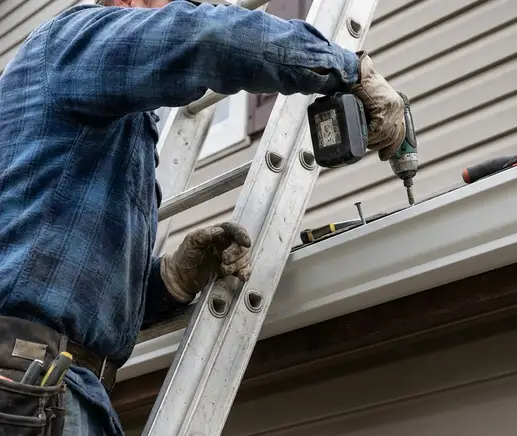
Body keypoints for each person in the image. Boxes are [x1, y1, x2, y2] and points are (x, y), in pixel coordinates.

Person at [0, 0, 406, 434]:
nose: (183, 8)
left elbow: (67, 288)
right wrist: (350, 69)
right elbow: (206, 36)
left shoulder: (99, 123)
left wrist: (172, 280)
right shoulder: (71, 40)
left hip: (58, 388)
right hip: (28, 382)